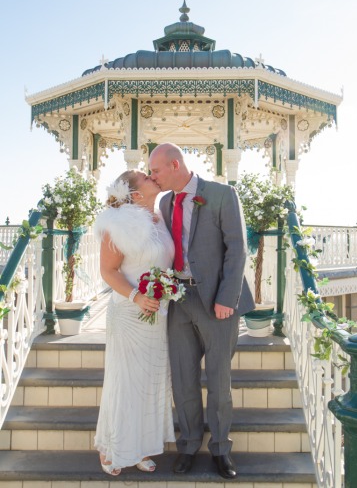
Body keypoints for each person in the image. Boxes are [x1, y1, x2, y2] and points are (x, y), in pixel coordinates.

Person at [149, 143, 255, 480]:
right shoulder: (165, 202)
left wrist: (227, 297)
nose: (153, 177)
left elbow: (237, 248)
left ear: (175, 165)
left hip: (216, 301)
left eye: (156, 171)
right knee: (183, 380)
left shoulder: (223, 194)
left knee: (219, 381)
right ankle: (189, 444)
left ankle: (221, 449)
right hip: (178, 299)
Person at [93, 170, 175, 476]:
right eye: (144, 175)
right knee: (125, 381)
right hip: (129, 312)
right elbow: (108, 271)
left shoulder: (160, 217)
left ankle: (140, 446)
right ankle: (112, 447)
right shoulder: (117, 223)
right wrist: (137, 297)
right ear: (136, 193)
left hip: (158, 313)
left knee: (149, 383)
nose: (152, 175)